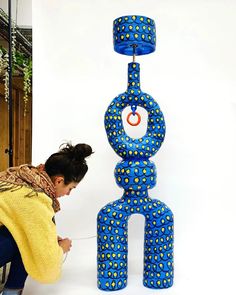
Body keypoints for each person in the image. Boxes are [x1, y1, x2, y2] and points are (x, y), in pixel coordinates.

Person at [0, 143, 93, 295]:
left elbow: (18, 222)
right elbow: (48, 267)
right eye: (70, 188)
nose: (68, 194)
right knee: (28, 243)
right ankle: (11, 293)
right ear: (58, 181)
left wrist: (45, 238)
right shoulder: (35, 198)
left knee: (26, 236)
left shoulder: (20, 177)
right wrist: (61, 248)